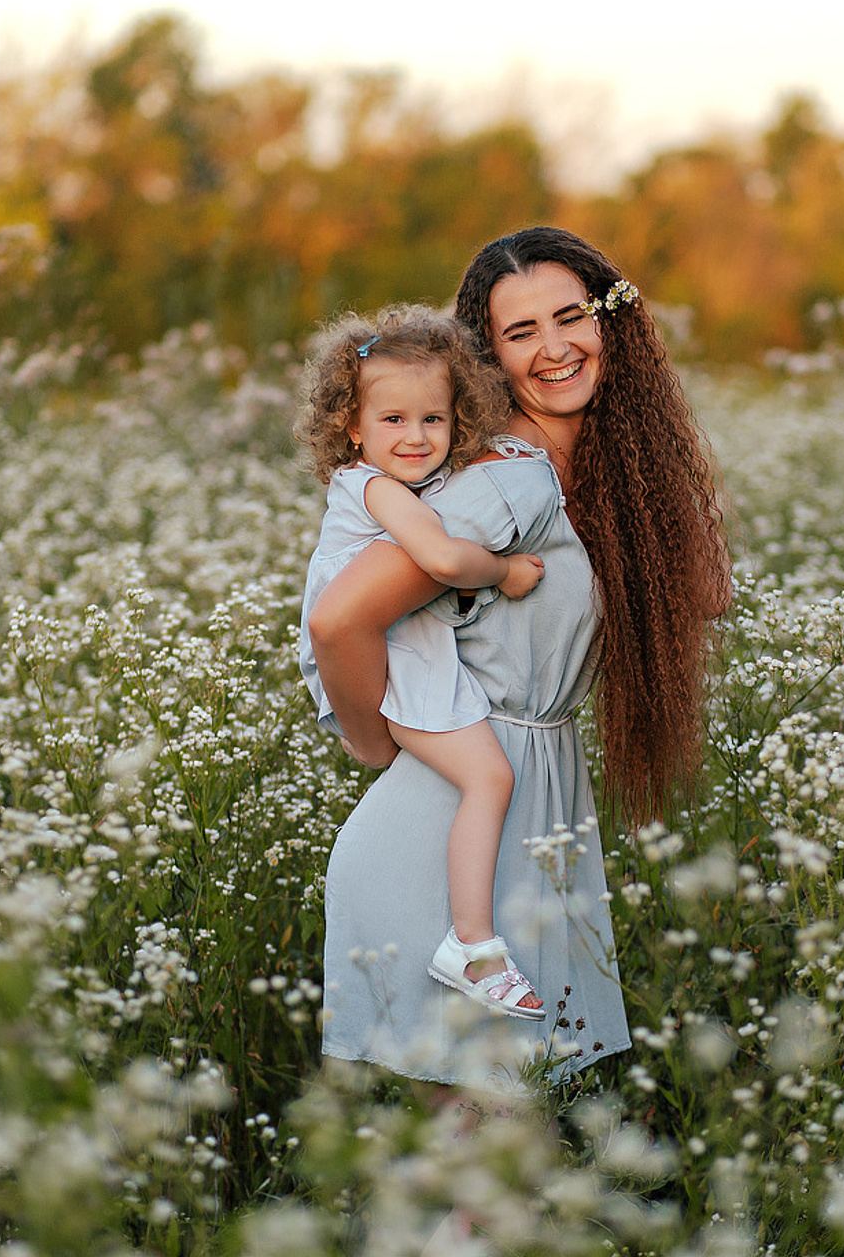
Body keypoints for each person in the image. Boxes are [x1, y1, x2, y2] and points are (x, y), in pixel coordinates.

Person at [308, 227, 730, 1089]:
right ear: (487, 361)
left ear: (613, 325)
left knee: (497, 1146)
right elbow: (340, 618)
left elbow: (709, 591)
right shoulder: (509, 478)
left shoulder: (592, 473)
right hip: (447, 835)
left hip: (525, 813)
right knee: (489, 1138)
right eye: (519, 332)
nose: (554, 349)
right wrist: (376, 744)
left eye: (570, 318)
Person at [294, 306, 547, 1019]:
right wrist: (502, 572)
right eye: (393, 421)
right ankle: (472, 946)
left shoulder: (417, 484)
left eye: (433, 420)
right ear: (353, 429)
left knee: (481, 780)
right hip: (383, 659)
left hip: (406, 649)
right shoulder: (368, 486)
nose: (415, 437)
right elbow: (438, 558)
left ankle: (469, 939)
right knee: (490, 777)